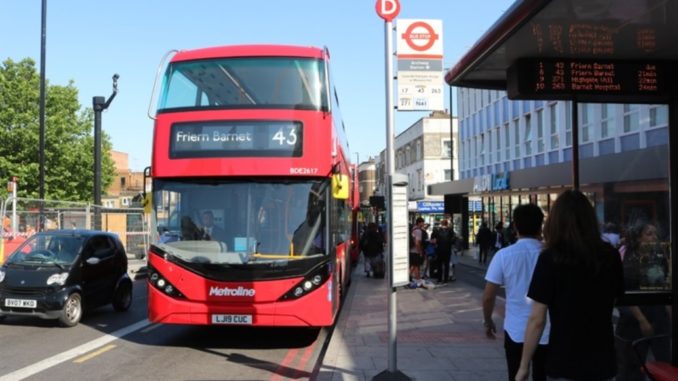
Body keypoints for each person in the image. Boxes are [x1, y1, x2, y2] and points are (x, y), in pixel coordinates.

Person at [516, 190, 624, 381]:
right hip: (603, 360)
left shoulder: (550, 258)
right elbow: (615, 299)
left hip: (563, 360)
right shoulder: (610, 256)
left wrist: (524, 366)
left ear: (556, 221)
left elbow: (537, 319)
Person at [482, 204, 548, 381]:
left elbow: (488, 296)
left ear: (515, 226)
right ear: (541, 225)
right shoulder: (551, 254)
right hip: (548, 331)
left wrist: (488, 321)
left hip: (516, 331)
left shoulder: (504, 255)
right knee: (543, 375)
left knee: (516, 375)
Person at [614, 219, 670, 381]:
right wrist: (642, 320)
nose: (654, 238)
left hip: (658, 315)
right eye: (649, 234)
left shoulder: (658, 257)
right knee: (632, 366)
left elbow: (664, 286)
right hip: (634, 318)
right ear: (638, 238)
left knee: (663, 362)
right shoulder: (629, 260)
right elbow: (626, 292)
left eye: (655, 234)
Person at [430, 219, 455, 284]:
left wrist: (435, 242)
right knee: (446, 265)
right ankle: (445, 280)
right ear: (447, 224)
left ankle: (439, 279)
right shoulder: (450, 230)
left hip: (439, 250)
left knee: (439, 265)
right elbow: (454, 240)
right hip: (447, 250)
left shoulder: (437, 230)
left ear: (441, 224)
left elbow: (432, 239)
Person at [408, 217, 425, 288]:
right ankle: (418, 280)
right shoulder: (418, 231)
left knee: (413, 265)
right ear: (419, 223)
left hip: (411, 250)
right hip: (415, 251)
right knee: (416, 266)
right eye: (422, 222)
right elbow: (417, 243)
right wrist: (420, 251)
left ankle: (408, 277)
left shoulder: (413, 228)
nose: (423, 224)